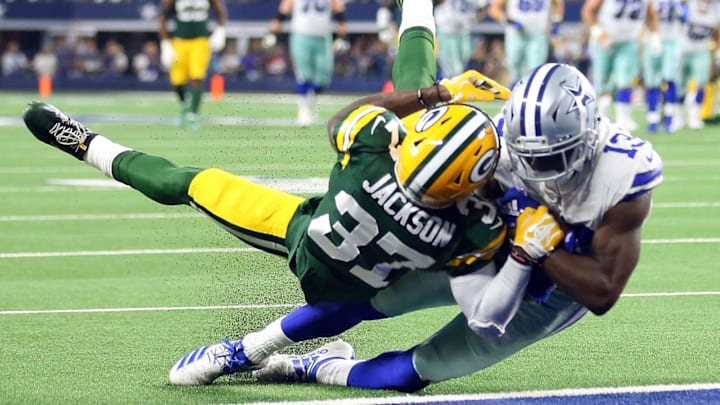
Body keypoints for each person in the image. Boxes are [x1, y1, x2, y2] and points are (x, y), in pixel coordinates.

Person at [22, 44, 563, 389]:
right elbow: (485, 245)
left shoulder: (374, 149)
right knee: (380, 300)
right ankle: (250, 352)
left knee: (189, 182)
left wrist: (437, 93)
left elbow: (356, 115)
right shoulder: (469, 226)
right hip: (352, 291)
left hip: (302, 235)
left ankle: (85, 144)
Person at [239, 1, 664, 392]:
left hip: (553, 287)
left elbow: (603, 292)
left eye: (551, 159)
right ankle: (248, 349)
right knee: (374, 296)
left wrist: (540, 250)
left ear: (588, 139)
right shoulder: (499, 136)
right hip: (486, 244)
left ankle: (317, 367)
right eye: (526, 155)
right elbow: (380, 129)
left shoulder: (624, 177)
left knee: (426, 366)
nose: (535, 169)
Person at [266, 0, 348, 127]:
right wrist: (273, 31)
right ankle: (304, 110)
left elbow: (338, 9)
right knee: (304, 74)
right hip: (301, 35)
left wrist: (342, 36)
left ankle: (310, 103)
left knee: (323, 77)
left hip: (323, 37)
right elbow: (285, 8)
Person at [582, 0, 660, 131]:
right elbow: (588, 10)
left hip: (629, 42)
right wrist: (598, 32)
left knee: (625, 80)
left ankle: (623, 117)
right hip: (604, 41)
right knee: (602, 81)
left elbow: (651, 15)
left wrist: (654, 36)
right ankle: (599, 116)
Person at [159, 0, 227, 130]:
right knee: (177, 81)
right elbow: (163, 17)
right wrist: (165, 43)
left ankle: (192, 114)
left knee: (197, 77)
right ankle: (187, 107)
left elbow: (219, 10)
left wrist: (220, 30)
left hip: (200, 41)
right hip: (179, 41)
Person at [488, 0, 564, 84]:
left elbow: (558, 5)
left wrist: (556, 21)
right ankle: (515, 89)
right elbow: (494, 9)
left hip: (538, 34)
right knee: (514, 66)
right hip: (516, 35)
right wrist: (508, 20)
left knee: (535, 70)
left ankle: (532, 91)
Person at [642, 0, 685, 133]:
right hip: (653, 38)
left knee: (669, 78)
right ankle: (652, 119)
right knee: (652, 81)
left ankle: (669, 117)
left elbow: (686, 17)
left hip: (672, 39)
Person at [676, 0, 720, 130]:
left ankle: (694, 116)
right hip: (683, 50)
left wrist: (717, 50)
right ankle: (680, 116)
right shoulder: (687, 6)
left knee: (702, 83)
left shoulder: (716, 9)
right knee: (680, 86)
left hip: (701, 50)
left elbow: (717, 32)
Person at [434, 0, 488, 78]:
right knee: (450, 71)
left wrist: (475, 17)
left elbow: (482, 7)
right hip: (447, 31)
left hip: (466, 31)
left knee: (464, 69)